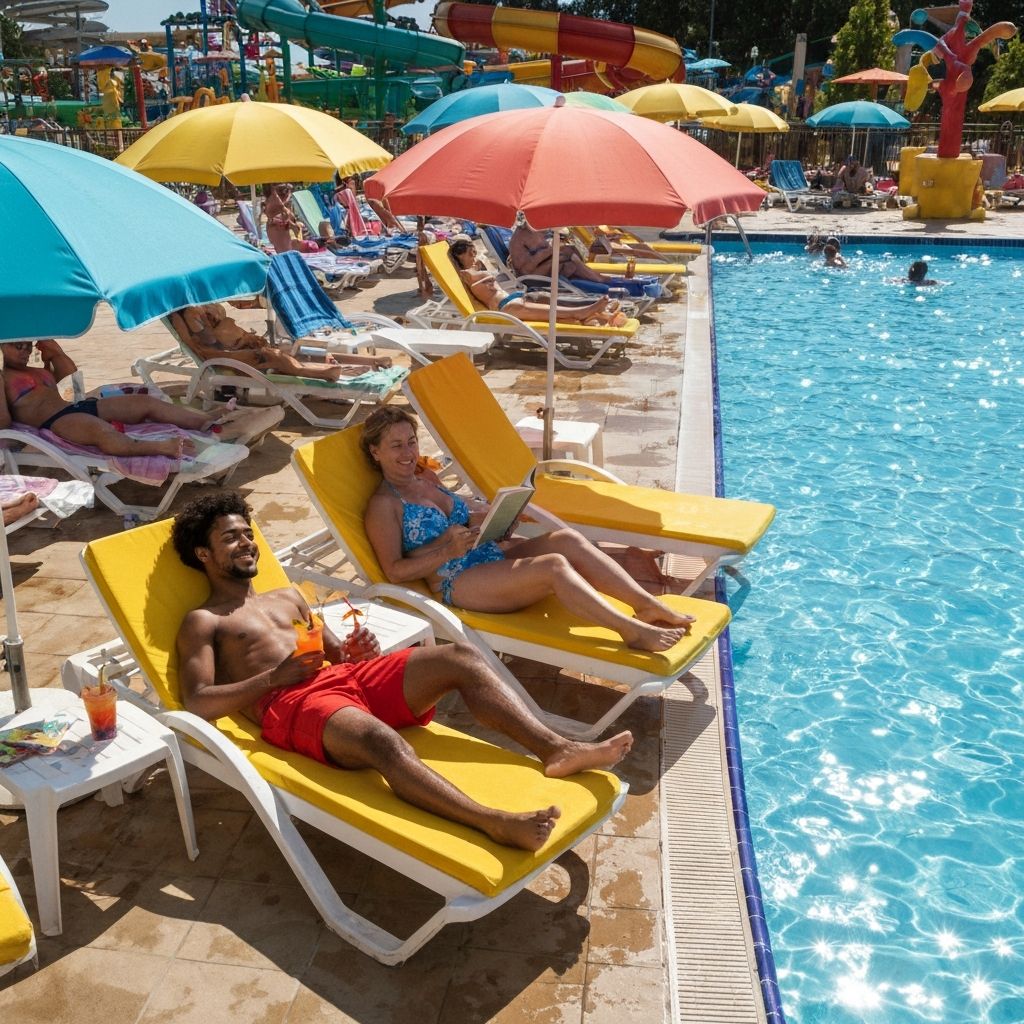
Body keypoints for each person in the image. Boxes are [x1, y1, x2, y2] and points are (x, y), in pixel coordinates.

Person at [173, 491, 634, 852]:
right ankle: (492, 821)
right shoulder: (205, 620)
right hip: (290, 703)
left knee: (460, 657)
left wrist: (356, 650)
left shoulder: (287, 595)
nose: (246, 543)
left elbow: (336, 655)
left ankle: (557, 748)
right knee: (379, 740)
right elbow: (197, 703)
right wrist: (271, 680)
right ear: (203, 555)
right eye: (230, 538)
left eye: (246, 533)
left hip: (343, 683)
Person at [361, 406, 695, 652]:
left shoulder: (427, 479)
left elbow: (460, 522)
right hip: (456, 580)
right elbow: (394, 571)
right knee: (553, 566)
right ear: (375, 452)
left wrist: (497, 520)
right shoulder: (383, 506)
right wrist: (446, 551)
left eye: (412, 441)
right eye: (396, 445)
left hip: (487, 555)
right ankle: (631, 632)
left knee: (566, 540)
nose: (409, 453)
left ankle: (646, 604)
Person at [0, 339, 227, 459]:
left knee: (145, 403)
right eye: (16, 346)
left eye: (27, 346)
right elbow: (2, 420)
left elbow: (70, 376)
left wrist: (53, 349)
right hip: (57, 421)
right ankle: (161, 447)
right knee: (103, 432)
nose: (25, 351)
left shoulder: (38, 371)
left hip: (77, 406)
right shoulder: (3, 377)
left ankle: (204, 420)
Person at [169, 305, 391, 381]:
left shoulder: (200, 305)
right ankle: (320, 374)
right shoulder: (183, 316)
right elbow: (203, 349)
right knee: (276, 357)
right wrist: (243, 353)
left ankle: (372, 360)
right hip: (229, 360)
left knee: (296, 348)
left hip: (242, 348)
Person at [448, 239, 628, 327]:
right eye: (470, 253)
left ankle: (596, 311)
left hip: (515, 297)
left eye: (474, 252)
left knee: (560, 301)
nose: (474, 256)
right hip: (506, 308)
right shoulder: (465, 274)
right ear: (459, 255)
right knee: (557, 312)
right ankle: (590, 312)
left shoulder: (477, 267)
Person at [509, 221, 608, 284]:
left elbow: (541, 251)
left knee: (570, 261)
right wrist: (553, 250)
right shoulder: (525, 235)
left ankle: (596, 280)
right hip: (529, 275)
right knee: (568, 253)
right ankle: (599, 280)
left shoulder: (528, 232)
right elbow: (529, 265)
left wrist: (552, 250)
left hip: (534, 270)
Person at [264, 183, 303, 254]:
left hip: (278, 229)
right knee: (284, 250)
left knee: (284, 250)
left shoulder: (275, 202)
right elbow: (278, 202)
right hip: (277, 230)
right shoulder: (276, 202)